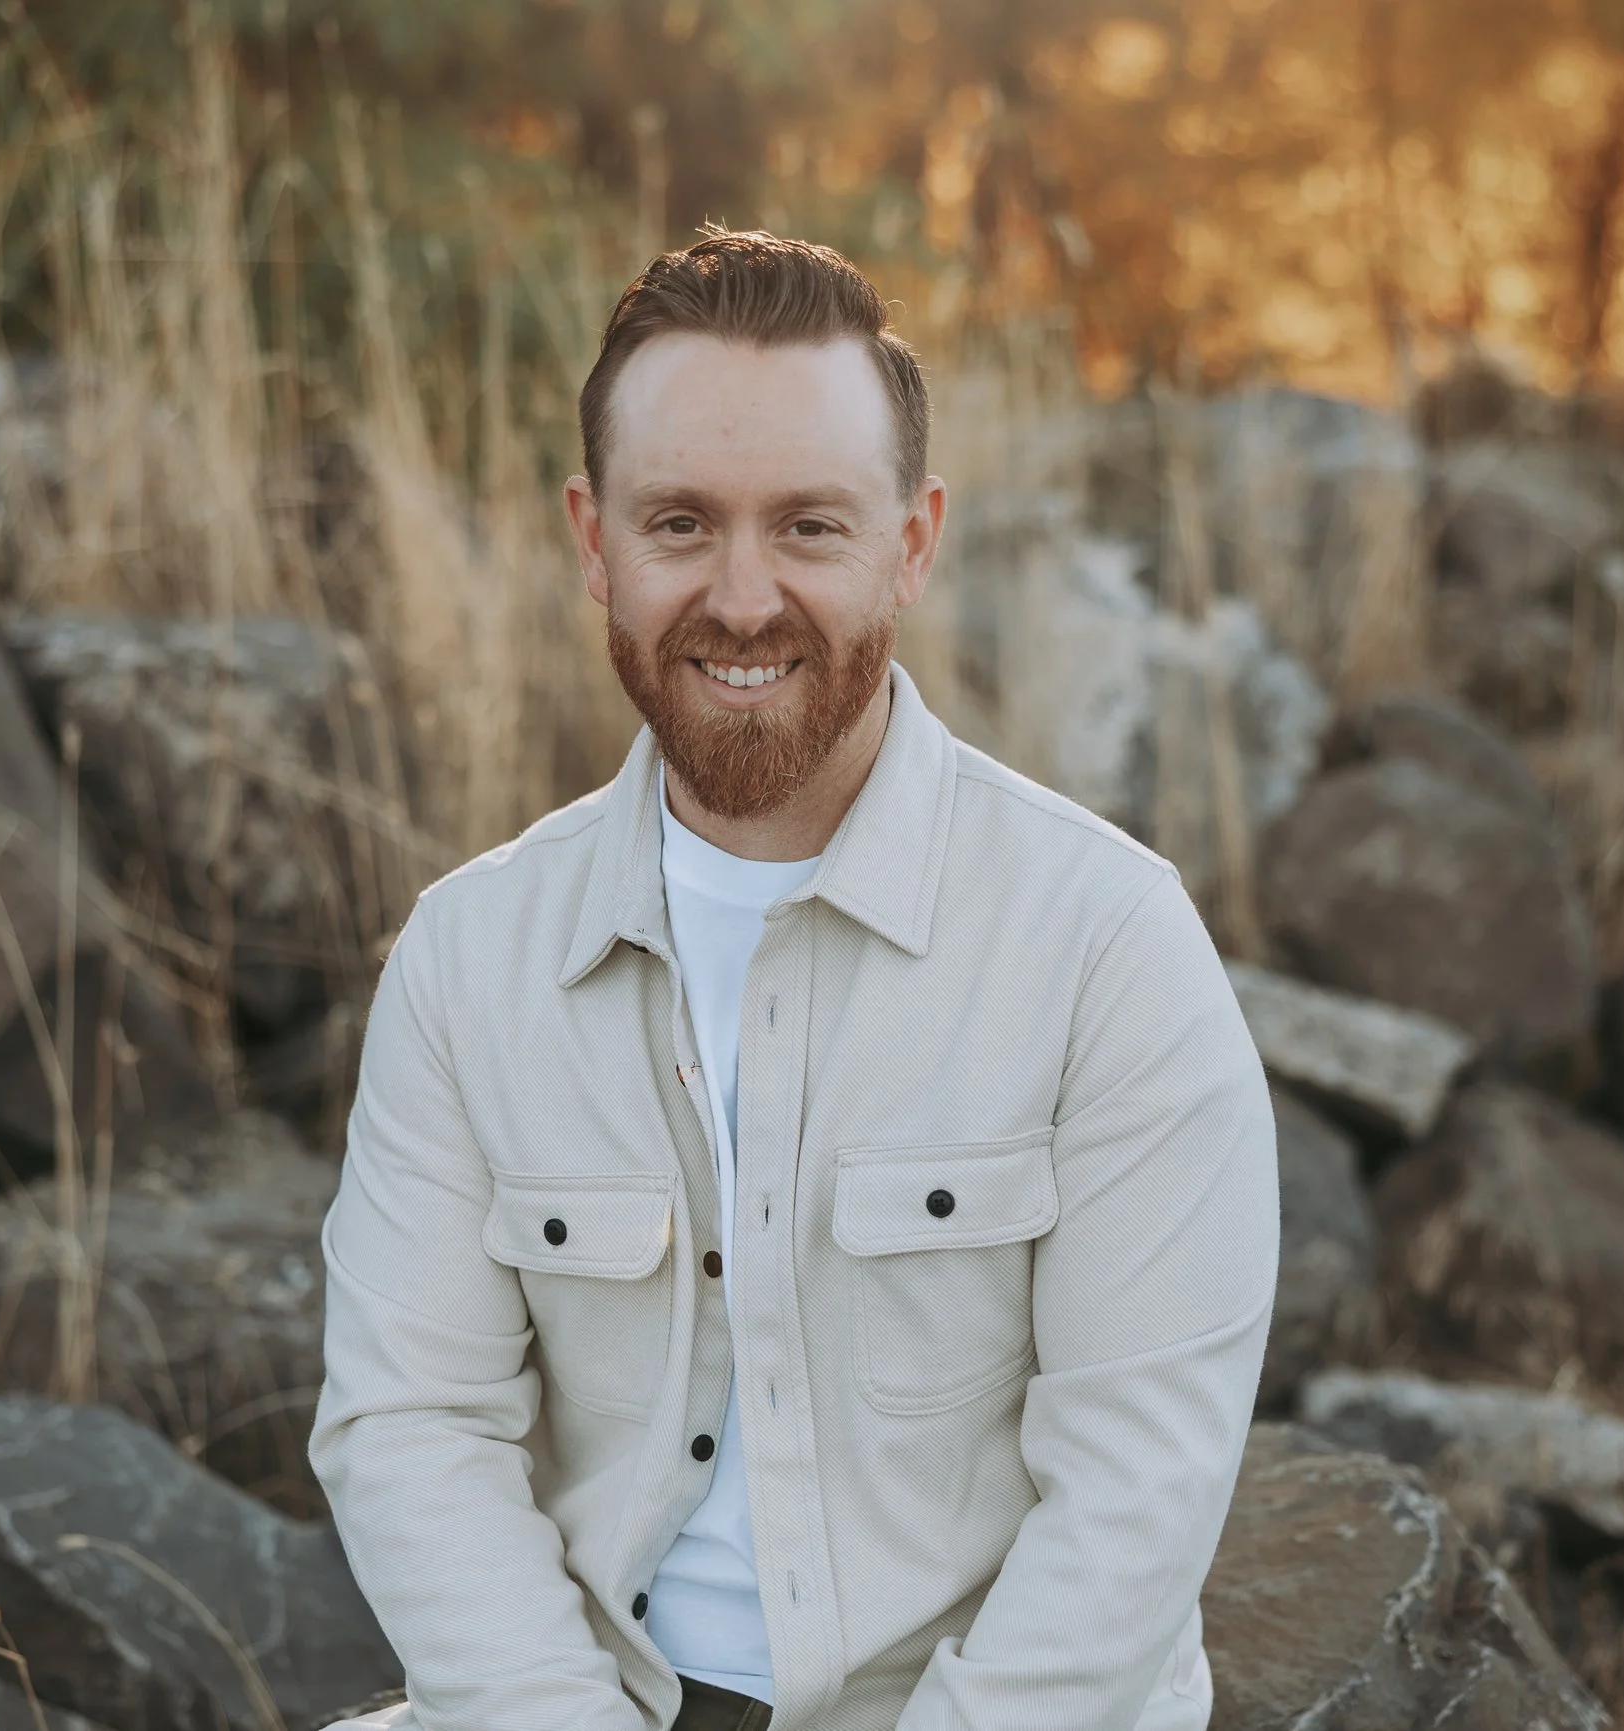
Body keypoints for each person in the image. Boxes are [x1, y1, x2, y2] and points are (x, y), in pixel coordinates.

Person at [312, 229, 1278, 1731]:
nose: (744, 598)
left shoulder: (1108, 946)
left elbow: (1138, 1493)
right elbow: (411, 1426)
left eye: (811, 528)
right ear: (593, 540)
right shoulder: (465, 957)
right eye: (681, 523)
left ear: (913, 538)